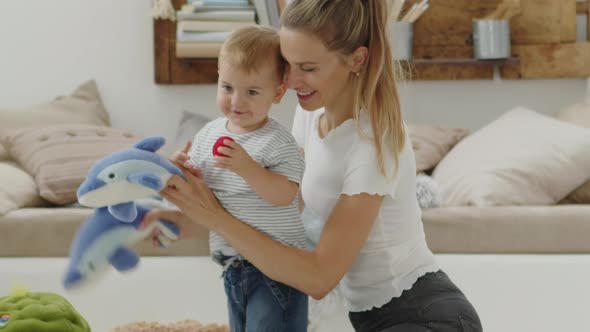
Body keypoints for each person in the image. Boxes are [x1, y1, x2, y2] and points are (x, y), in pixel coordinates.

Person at [144, 0, 483, 331]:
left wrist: (213, 216)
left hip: (426, 317)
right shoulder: (311, 117)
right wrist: (187, 207)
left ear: (356, 60)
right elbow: (281, 217)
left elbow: (319, 276)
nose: (291, 81)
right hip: (370, 320)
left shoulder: (371, 145)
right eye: (288, 64)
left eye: (308, 68)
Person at [167, 25, 309, 332]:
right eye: (227, 87)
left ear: (278, 93)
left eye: (252, 92)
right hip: (233, 265)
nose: (237, 101)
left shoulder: (277, 141)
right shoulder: (209, 133)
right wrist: (182, 169)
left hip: (277, 270)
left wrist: (248, 168)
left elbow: (286, 196)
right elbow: (200, 188)